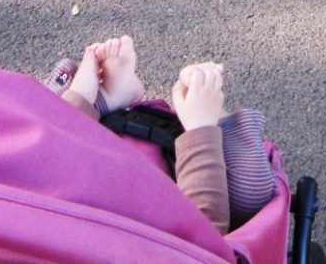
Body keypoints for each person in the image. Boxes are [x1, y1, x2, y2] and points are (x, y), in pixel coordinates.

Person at [41, 36, 274, 234]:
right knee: (251, 193)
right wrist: (200, 129)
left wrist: (78, 99)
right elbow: (200, 241)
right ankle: (213, 119)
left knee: (31, 127)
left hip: (71, 183)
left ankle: (98, 101)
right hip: (180, 204)